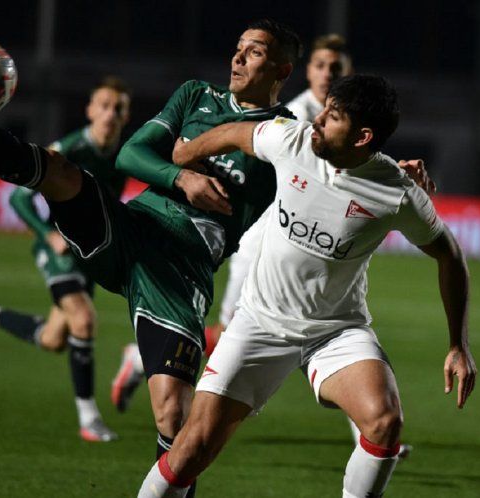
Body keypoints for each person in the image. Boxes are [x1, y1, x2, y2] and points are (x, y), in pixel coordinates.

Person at [0, 18, 302, 494]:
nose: (237, 57)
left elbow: (331, 173)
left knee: (173, 414)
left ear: (281, 70)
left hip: (182, 265)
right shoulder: (195, 96)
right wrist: (179, 176)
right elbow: (132, 156)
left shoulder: (285, 136)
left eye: (254, 53)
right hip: (133, 227)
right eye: (237, 48)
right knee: (63, 173)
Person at [136, 74, 476, 498]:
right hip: (259, 324)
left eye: (333, 117)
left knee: (384, 422)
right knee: (190, 450)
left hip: (335, 330)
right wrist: (184, 155)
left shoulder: (397, 192)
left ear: (362, 136)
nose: (318, 119)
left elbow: (451, 256)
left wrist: (457, 345)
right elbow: (235, 133)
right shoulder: (292, 140)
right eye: (324, 109)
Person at [110, 33, 354, 410]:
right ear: (305, 71)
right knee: (278, 333)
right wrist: (186, 162)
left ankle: (148, 364)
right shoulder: (295, 116)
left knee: (260, 333)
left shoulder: (340, 123)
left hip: (292, 243)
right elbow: (242, 138)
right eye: (321, 66)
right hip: (257, 242)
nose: (327, 75)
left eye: (336, 69)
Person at [0, 77, 131, 442]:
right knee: (84, 319)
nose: (111, 114)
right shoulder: (72, 148)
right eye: (105, 105)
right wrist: (47, 234)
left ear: (126, 117)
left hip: (88, 254)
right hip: (59, 250)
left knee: (53, 339)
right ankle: (89, 418)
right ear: (90, 110)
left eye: (119, 108)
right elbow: (18, 199)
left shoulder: (123, 156)